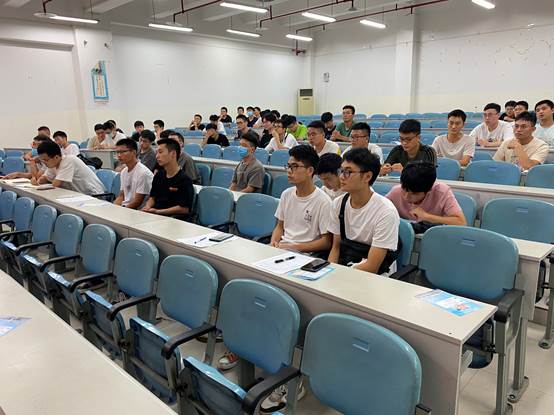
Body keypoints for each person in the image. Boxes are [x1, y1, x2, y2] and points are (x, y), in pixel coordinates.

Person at [328, 148, 400, 275]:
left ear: (367, 176)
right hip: (345, 267)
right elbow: (336, 248)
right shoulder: (338, 204)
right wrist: (329, 272)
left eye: (348, 172)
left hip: (376, 276)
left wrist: (337, 275)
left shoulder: (386, 212)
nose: (341, 177)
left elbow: (372, 267)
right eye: (341, 171)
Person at [270, 145, 332, 253]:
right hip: (282, 248)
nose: (289, 171)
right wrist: (273, 243)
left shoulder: (323, 201)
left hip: (305, 253)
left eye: (294, 166)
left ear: (310, 170)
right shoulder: (286, 194)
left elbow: (326, 242)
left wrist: (294, 247)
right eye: (288, 166)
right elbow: (280, 226)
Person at [386, 161, 466, 232]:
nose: (406, 197)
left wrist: (427, 217)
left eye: (414, 194)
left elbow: (461, 223)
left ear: (429, 191)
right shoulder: (396, 191)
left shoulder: (442, 192)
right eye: (404, 190)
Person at [142, 138, 194, 219]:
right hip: (155, 216)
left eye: (160, 152)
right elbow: (152, 197)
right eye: (156, 153)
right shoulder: (159, 175)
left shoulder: (184, 180)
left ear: (173, 154)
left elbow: (184, 209)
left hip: (173, 219)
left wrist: (158, 212)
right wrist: (147, 207)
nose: (157, 156)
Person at [33, 140, 105, 195]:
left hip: (95, 195)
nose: (44, 163)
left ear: (56, 157)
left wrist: (40, 184)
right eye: (42, 160)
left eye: (46, 160)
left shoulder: (69, 160)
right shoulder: (53, 164)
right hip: (79, 195)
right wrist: (37, 182)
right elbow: (45, 178)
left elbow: (56, 184)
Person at [113, 138, 153, 209]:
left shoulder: (143, 173)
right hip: (126, 207)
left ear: (134, 152)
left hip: (138, 210)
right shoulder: (124, 172)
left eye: (123, 152)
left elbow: (137, 202)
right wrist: (113, 208)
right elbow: (122, 196)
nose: (119, 155)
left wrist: (121, 211)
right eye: (117, 152)